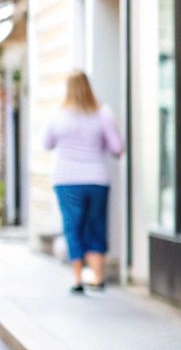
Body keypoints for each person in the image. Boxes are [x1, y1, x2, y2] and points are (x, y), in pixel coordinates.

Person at [42, 71, 122, 293]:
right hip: (96, 179)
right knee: (96, 225)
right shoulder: (103, 114)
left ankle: (77, 279)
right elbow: (117, 148)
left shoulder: (58, 115)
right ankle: (97, 277)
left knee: (72, 227)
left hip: (66, 179)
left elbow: (46, 144)